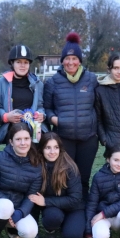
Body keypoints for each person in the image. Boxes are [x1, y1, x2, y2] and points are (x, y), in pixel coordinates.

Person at [44, 32, 99, 201]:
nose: (70, 62)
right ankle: (65, 212)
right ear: (62, 61)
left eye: (74, 58)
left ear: (80, 60)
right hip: (64, 139)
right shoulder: (53, 82)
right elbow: (47, 108)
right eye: (67, 59)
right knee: (65, 177)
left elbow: (98, 107)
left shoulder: (91, 79)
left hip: (87, 139)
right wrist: (55, 119)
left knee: (83, 179)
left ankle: (82, 214)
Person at [29, 132, 85, 238]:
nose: (52, 152)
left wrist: (46, 202)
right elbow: (32, 195)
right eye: (48, 148)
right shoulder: (37, 166)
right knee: (53, 216)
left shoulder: (70, 167)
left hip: (72, 208)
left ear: (60, 149)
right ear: (41, 149)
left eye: (56, 147)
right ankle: (51, 231)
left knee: (74, 237)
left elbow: (75, 199)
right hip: (53, 210)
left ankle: (67, 224)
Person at [0, 44, 47, 145]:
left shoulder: (38, 84)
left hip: (33, 132)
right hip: (12, 131)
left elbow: (41, 106)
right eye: (18, 62)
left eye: (26, 62)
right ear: (12, 63)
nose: (22, 65)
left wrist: (41, 115)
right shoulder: (1, 83)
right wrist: (6, 116)